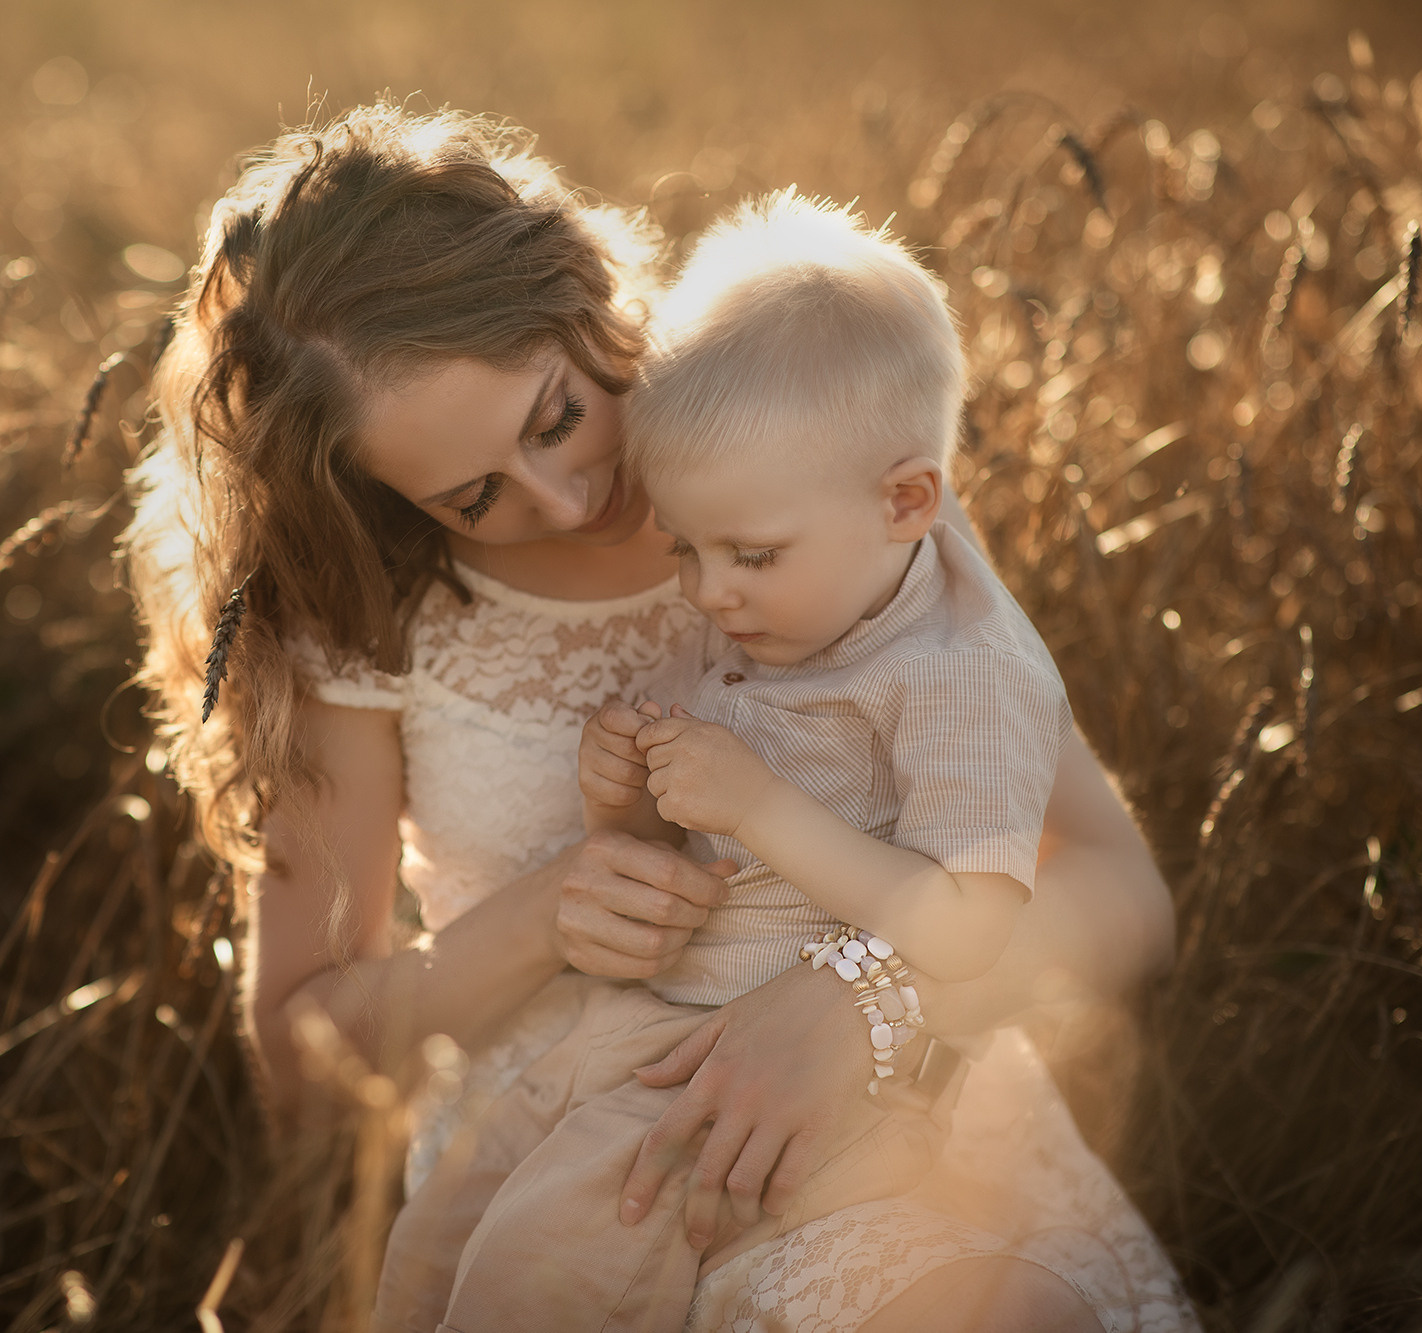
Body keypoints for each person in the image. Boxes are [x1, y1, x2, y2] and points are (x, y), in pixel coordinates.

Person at [124, 102, 1194, 1331]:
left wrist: (864, 1002)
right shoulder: (361, 618)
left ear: (577, 297)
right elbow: (308, 1062)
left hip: (898, 1107)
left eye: (556, 417)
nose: (564, 495)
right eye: (475, 494)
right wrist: (545, 914)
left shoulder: (812, 470)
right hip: (569, 1174)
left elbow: (1118, 891)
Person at [379, 192, 1078, 1331]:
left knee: (530, 1279)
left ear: (908, 500)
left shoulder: (960, 670)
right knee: (433, 1244)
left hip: (748, 1074)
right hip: (643, 1025)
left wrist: (754, 803)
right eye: (688, 549)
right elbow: (696, 868)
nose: (706, 593)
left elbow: (965, 925)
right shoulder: (790, 596)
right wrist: (629, 802)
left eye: (745, 553)